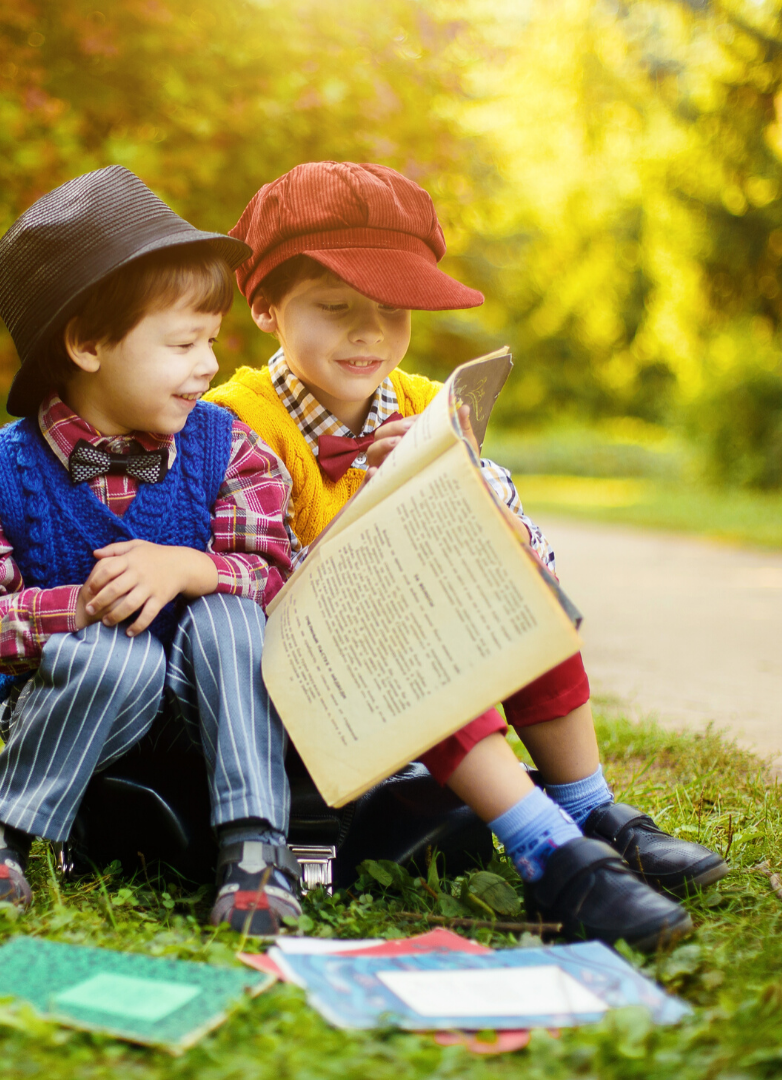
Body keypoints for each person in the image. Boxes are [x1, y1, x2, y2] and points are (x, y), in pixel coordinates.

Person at [205, 160, 728, 951]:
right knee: (411, 626)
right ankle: (547, 852)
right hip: (291, 681)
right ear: (268, 308)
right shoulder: (234, 423)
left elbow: (512, 534)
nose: (368, 333)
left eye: (391, 310)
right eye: (335, 307)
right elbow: (248, 587)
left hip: (399, 664)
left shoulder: (424, 405)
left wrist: (454, 489)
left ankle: (588, 806)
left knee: (519, 582)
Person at [0, 166, 304, 935]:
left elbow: (274, 572)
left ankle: (255, 851)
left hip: (213, 708)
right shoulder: (4, 471)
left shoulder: (226, 446)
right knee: (114, 651)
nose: (207, 364)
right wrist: (78, 610)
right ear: (89, 343)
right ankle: (1, 832)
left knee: (230, 618)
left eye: (211, 339)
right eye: (182, 342)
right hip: (90, 714)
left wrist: (193, 568)